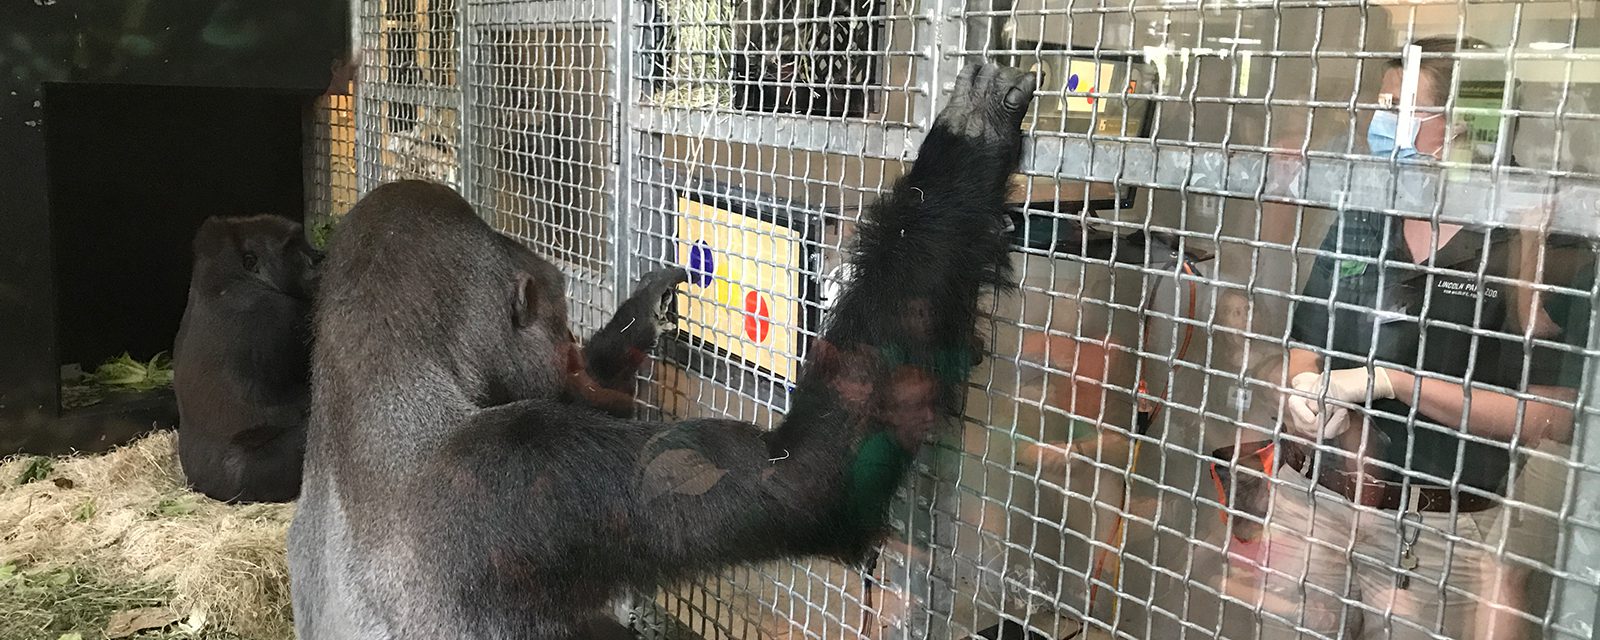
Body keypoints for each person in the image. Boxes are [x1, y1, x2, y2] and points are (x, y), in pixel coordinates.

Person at [1250, 35, 1594, 639]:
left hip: (1438, 531)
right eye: (1381, 105)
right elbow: (1308, 335)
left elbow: (1555, 416)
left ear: (1465, 124)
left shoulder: (1536, 236)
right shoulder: (1367, 210)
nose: (1380, 124)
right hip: (1314, 500)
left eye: (1401, 109)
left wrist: (1397, 384)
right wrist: (1302, 391)